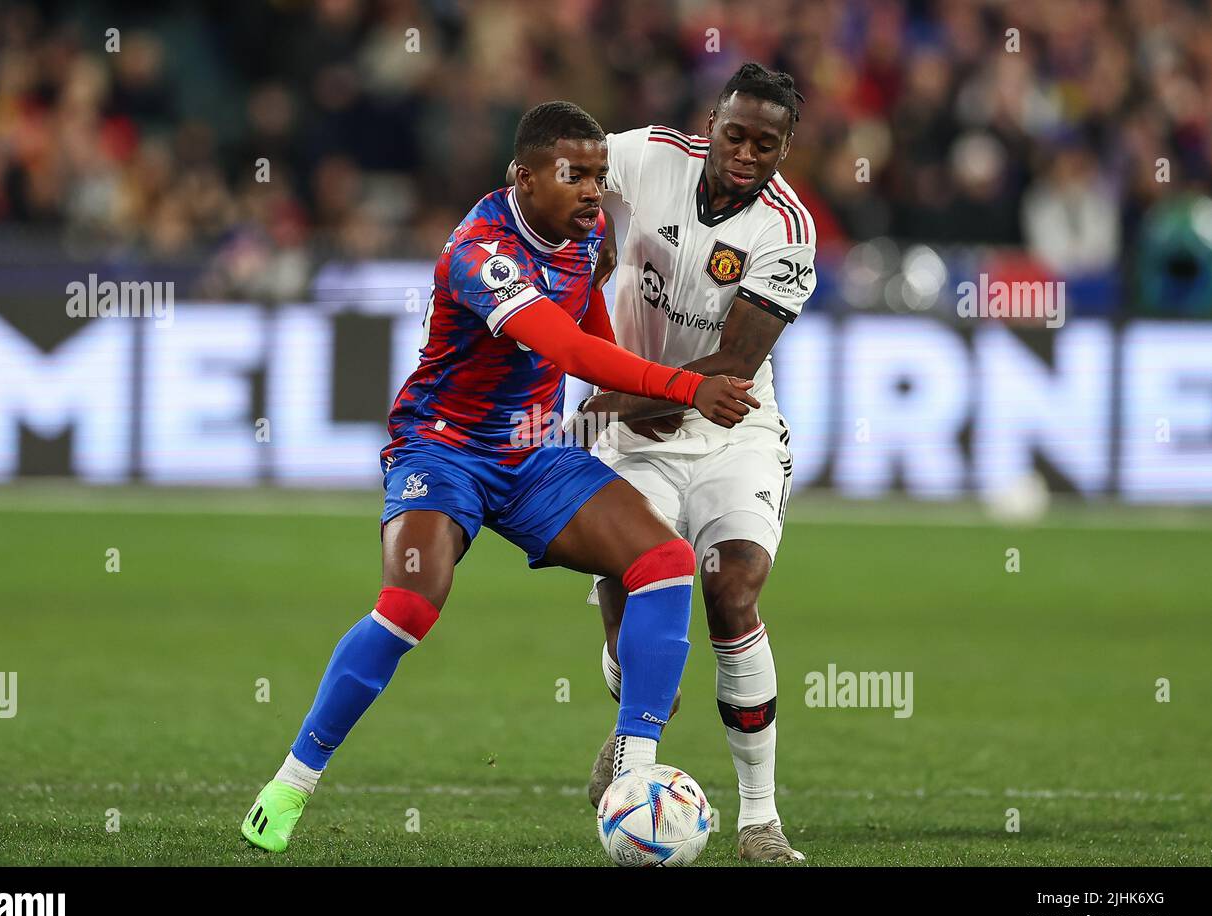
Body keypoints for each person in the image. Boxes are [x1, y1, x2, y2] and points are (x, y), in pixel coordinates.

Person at [240, 100, 759, 853]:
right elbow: (567, 349)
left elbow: (593, 337)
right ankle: (290, 784)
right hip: (440, 451)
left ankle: (634, 774)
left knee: (665, 562)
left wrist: (628, 401)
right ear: (525, 176)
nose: (592, 190)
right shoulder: (483, 251)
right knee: (410, 605)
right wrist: (685, 386)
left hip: (529, 454)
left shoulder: (588, 238)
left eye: (598, 176)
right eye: (573, 175)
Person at [577, 64, 818, 863]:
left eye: (767, 142)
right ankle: (632, 731)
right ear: (711, 123)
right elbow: (555, 168)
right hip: (633, 440)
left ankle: (759, 821)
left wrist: (605, 404)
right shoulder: (644, 156)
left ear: (787, 146)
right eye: (736, 134)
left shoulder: (787, 233)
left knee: (733, 591)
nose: (747, 153)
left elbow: (727, 373)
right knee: (647, 658)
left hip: (730, 432)